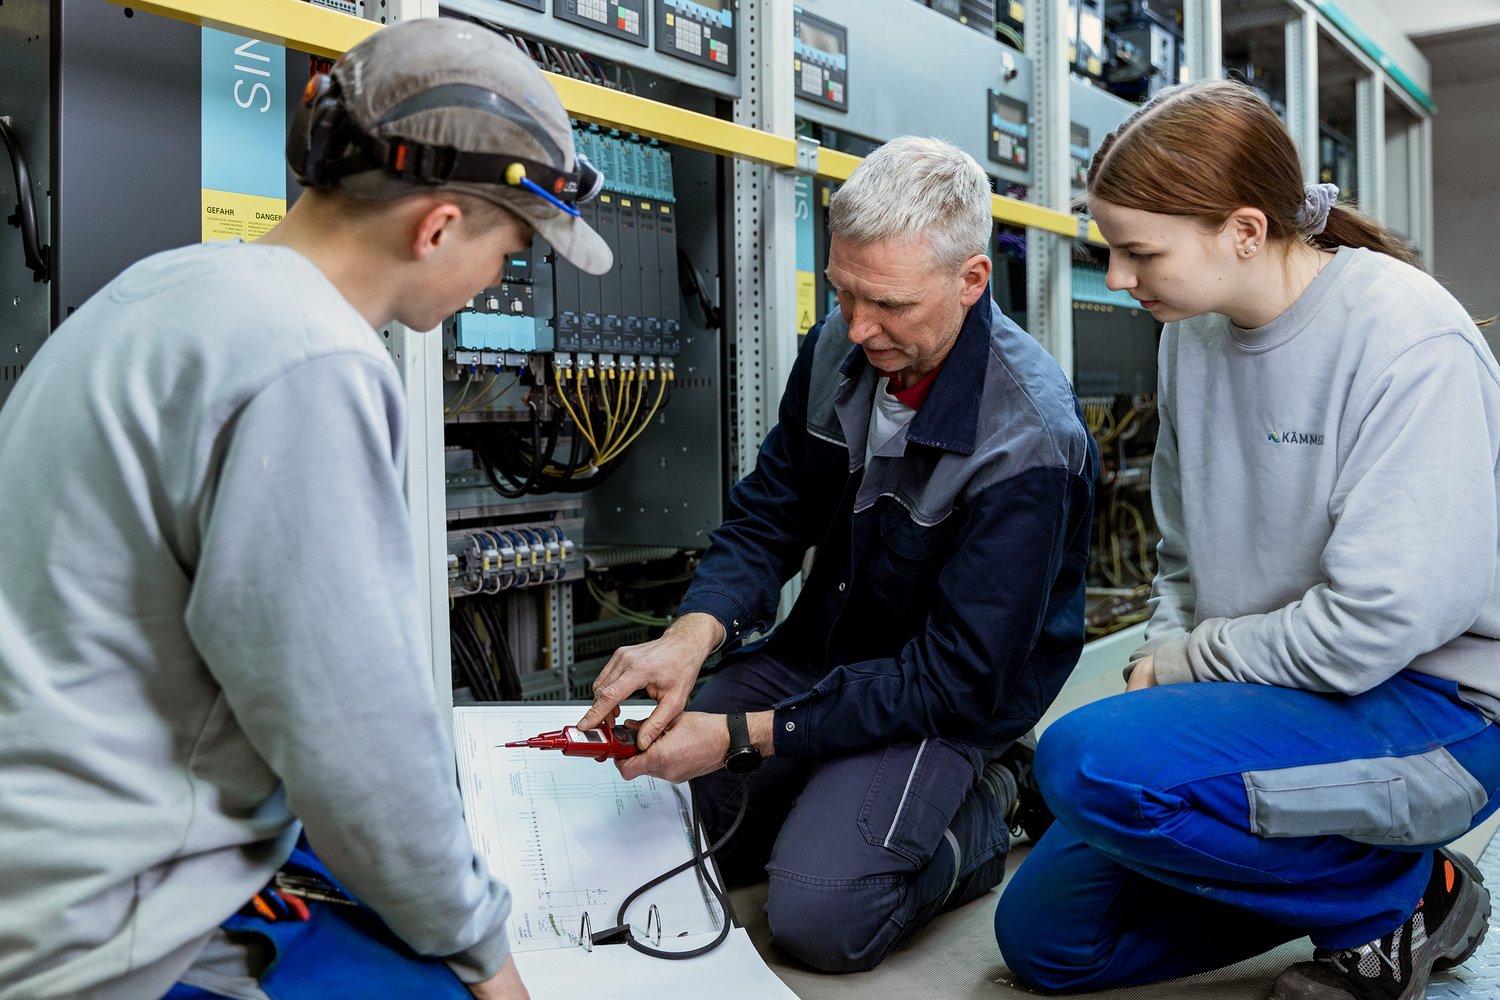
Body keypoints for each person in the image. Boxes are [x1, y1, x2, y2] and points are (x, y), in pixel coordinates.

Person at [0, 18, 613, 1000]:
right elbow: (359, 755)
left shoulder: (167, 289)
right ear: (439, 227)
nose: (502, 276)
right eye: (512, 246)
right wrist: (492, 962)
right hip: (105, 928)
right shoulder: (314, 362)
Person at [996, 80, 1500, 1000]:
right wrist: (1163, 645)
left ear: (1245, 229)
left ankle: (1404, 898)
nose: (1116, 276)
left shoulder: (1407, 340)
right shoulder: (1192, 336)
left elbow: (1375, 624)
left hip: (1436, 707)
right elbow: (1179, 553)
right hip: (1276, 692)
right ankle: (1361, 885)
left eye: (1137, 251)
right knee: (1050, 939)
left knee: (1085, 761)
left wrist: (1192, 661)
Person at [576, 135, 1097, 973]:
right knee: (649, 822)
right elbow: (771, 516)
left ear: (972, 281)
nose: (858, 328)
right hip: (822, 658)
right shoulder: (837, 349)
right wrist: (691, 635)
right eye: (843, 292)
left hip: (942, 698)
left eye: (889, 304)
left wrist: (743, 733)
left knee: (822, 910)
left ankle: (994, 793)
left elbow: (954, 677)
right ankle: (826, 786)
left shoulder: (1027, 439)